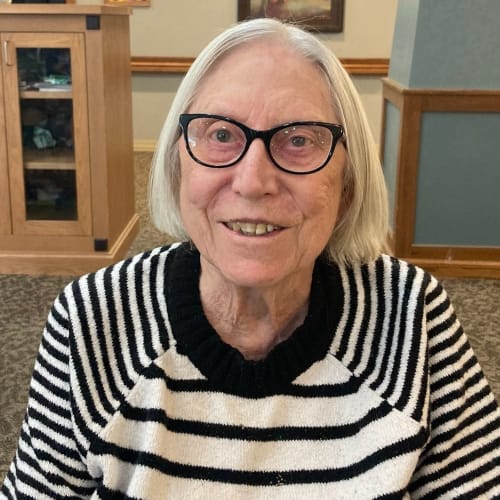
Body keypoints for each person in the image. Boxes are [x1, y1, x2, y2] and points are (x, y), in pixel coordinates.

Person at [2, 18, 499, 499]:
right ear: (178, 169)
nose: (252, 181)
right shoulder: (92, 319)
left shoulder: (413, 314)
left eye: (299, 139)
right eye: (221, 135)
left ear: (348, 184)